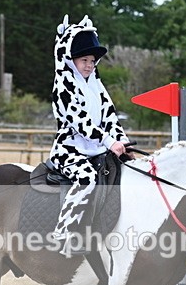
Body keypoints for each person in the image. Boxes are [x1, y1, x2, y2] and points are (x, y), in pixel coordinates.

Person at [48, 15, 129, 255]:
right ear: (71, 59)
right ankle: (63, 235)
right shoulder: (63, 84)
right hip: (69, 150)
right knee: (86, 179)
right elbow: (80, 122)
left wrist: (121, 140)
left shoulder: (95, 84)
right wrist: (108, 141)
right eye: (84, 60)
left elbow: (110, 114)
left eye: (92, 61)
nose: (89, 65)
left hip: (97, 149)